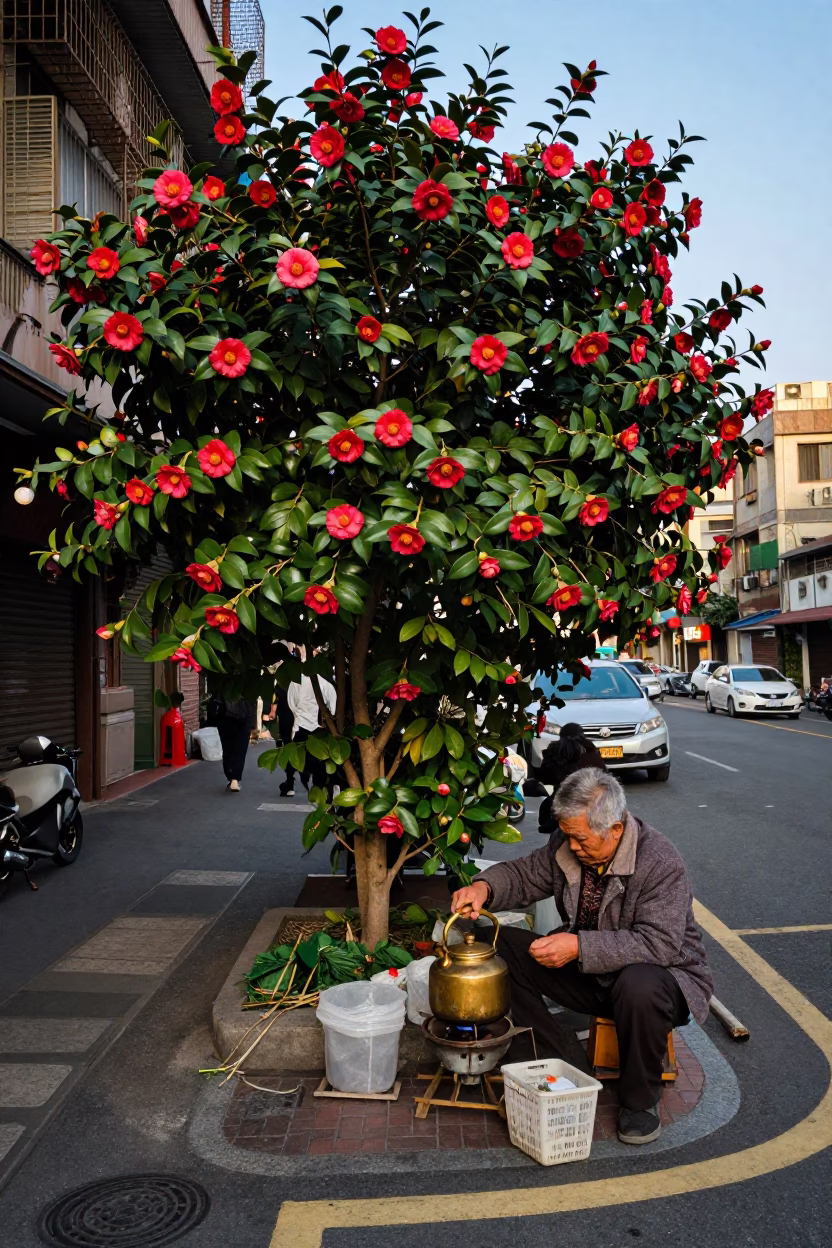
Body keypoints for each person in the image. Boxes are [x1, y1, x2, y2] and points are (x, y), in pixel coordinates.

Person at [451, 768, 713, 1146]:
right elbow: (526, 875)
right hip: (592, 973)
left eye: (581, 839)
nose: (572, 847)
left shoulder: (660, 861)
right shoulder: (567, 842)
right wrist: (484, 887)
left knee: (639, 984)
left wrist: (578, 946)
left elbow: (659, 944)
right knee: (499, 943)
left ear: (616, 829)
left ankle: (639, 1102)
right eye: (569, 837)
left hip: (660, 982)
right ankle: (551, 1063)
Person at [537, 722, 605, 835]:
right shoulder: (591, 750)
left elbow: (545, 777)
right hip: (594, 802)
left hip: (563, 802)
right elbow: (604, 774)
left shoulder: (556, 750)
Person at [279, 672, 336, 796]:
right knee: (319, 760)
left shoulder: (296, 682)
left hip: (301, 724)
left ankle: (290, 782)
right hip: (318, 728)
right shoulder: (328, 684)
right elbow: (333, 708)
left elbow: (291, 704)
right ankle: (319, 789)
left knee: (294, 755)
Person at [208, 695, 256, 792]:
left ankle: (231, 776)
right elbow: (252, 703)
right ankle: (235, 779)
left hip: (225, 718)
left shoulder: (224, 683)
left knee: (227, 749)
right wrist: (252, 724)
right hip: (243, 719)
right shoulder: (247, 684)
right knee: (240, 751)